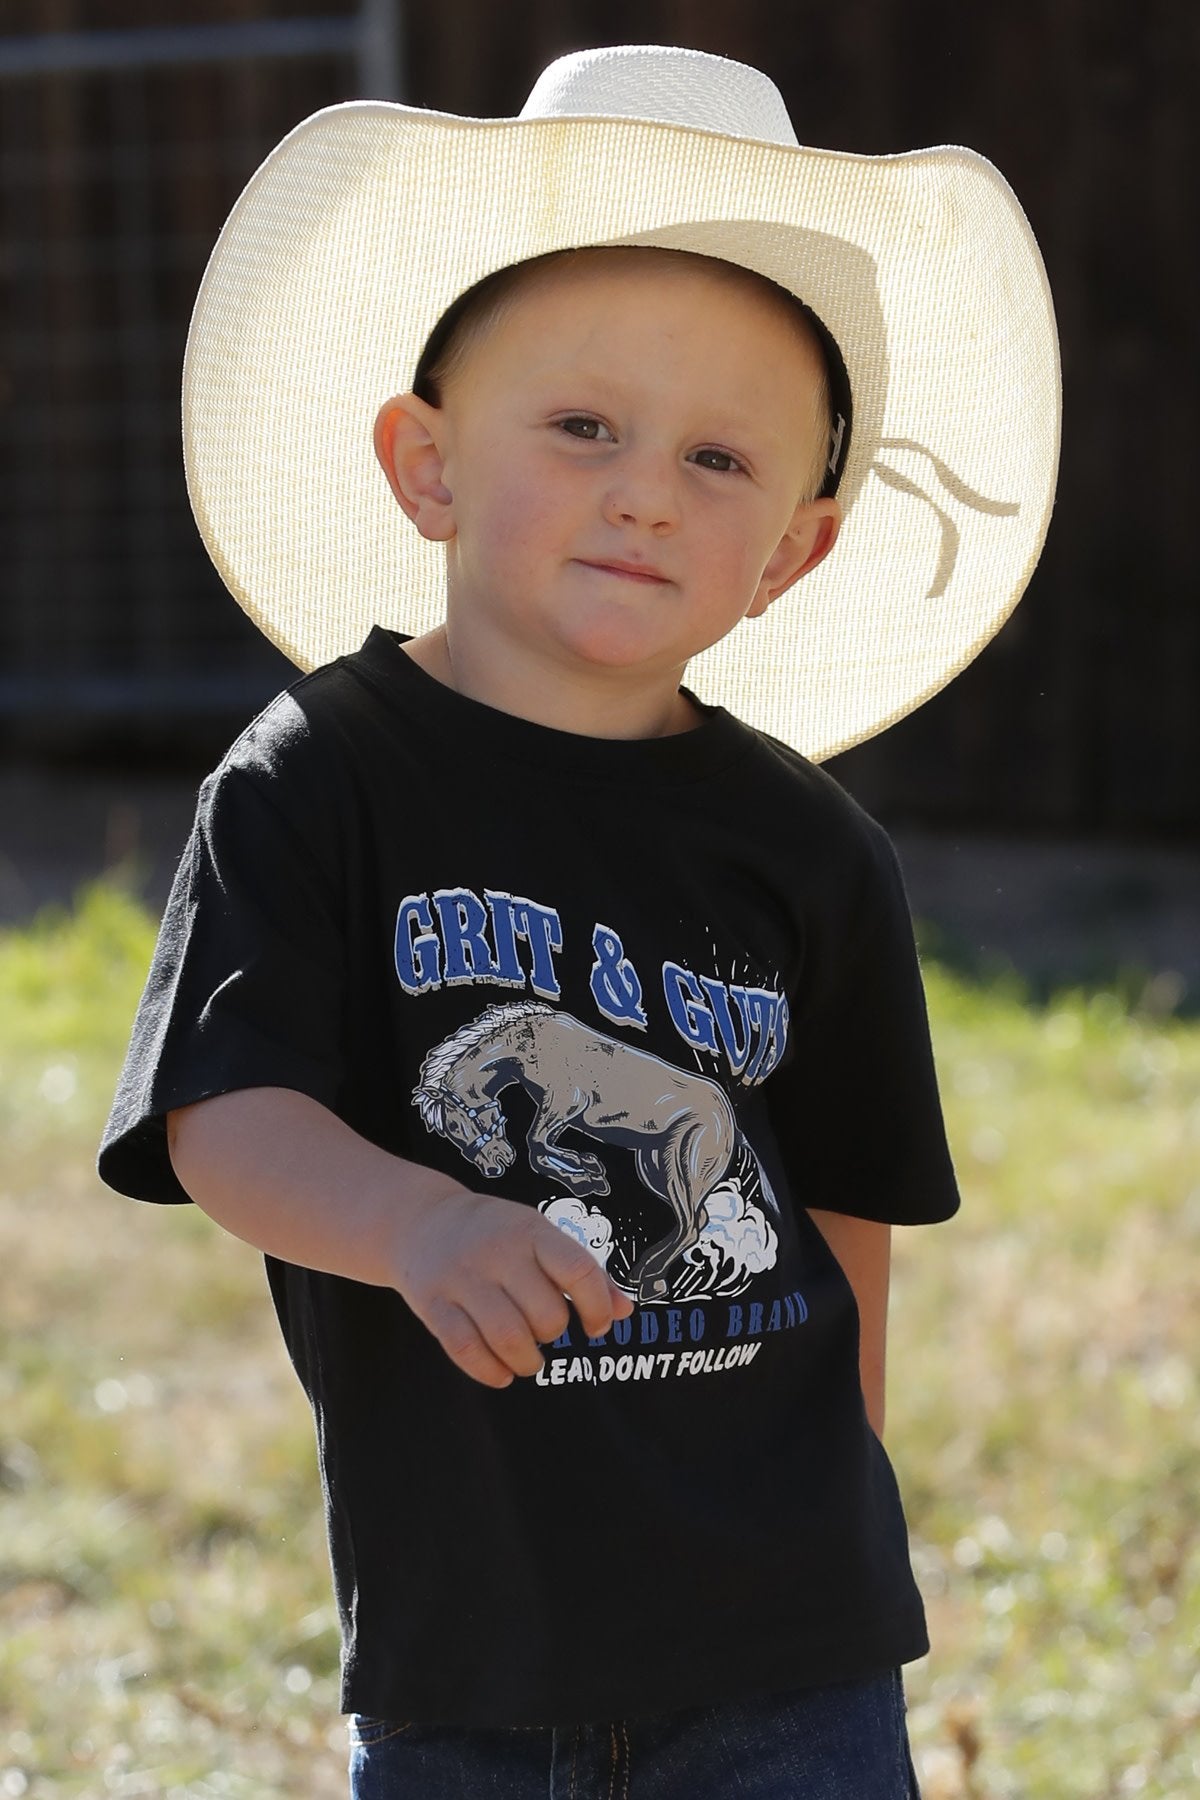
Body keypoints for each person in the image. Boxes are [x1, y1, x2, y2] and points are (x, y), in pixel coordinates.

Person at [98, 43, 1059, 1800]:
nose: (645, 493)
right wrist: (413, 1225)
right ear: (428, 463)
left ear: (792, 551)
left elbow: (846, 1201)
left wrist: (834, 1484)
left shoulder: (817, 853)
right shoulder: (317, 778)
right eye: (584, 427)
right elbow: (217, 1112)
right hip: (476, 1626)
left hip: (789, 1644)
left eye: (717, 459)